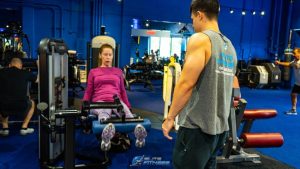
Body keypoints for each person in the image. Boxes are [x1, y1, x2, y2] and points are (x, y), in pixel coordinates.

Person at [162, 0, 237, 168]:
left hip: (197, 129)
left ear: (199, 14)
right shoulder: (230, 46)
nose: (193, 24)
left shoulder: (200, 40)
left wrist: (170, 117)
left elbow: (186, 84)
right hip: (219, 131)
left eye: (193, 19)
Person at [83, 44, 147, 149]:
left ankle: (138, 134)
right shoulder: (93, 72)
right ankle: (106, 138)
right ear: (100, 56)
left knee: (127, 115)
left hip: (116, 100)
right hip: (99, 101)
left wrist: (128, 105)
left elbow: (122, 91)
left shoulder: (118, 71)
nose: (108, 57)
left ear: (113, 56)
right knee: (104, 113)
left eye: (110, 55)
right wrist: (85, 105)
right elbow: (88, 91)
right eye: (105, 54)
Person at [0, 51, 38, 136]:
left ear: (10, 65)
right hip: (21, 107)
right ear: (21, 66)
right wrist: (39, 65)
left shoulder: (2, 72)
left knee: (2, 101)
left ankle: (5, 128)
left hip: (4, 107)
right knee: (32, 103)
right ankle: (24, 127)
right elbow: (38, 80)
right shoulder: (25, 73)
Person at [275, 48, 300, 115]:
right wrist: (279, 63)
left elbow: (298, 66)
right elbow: (288, 64)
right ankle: (293, 110)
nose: (293, 55)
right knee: (293, 94)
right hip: (298, 83)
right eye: (293, 53)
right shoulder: (294, 61)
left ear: (299, 53)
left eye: (295, 53)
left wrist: (297, 65)